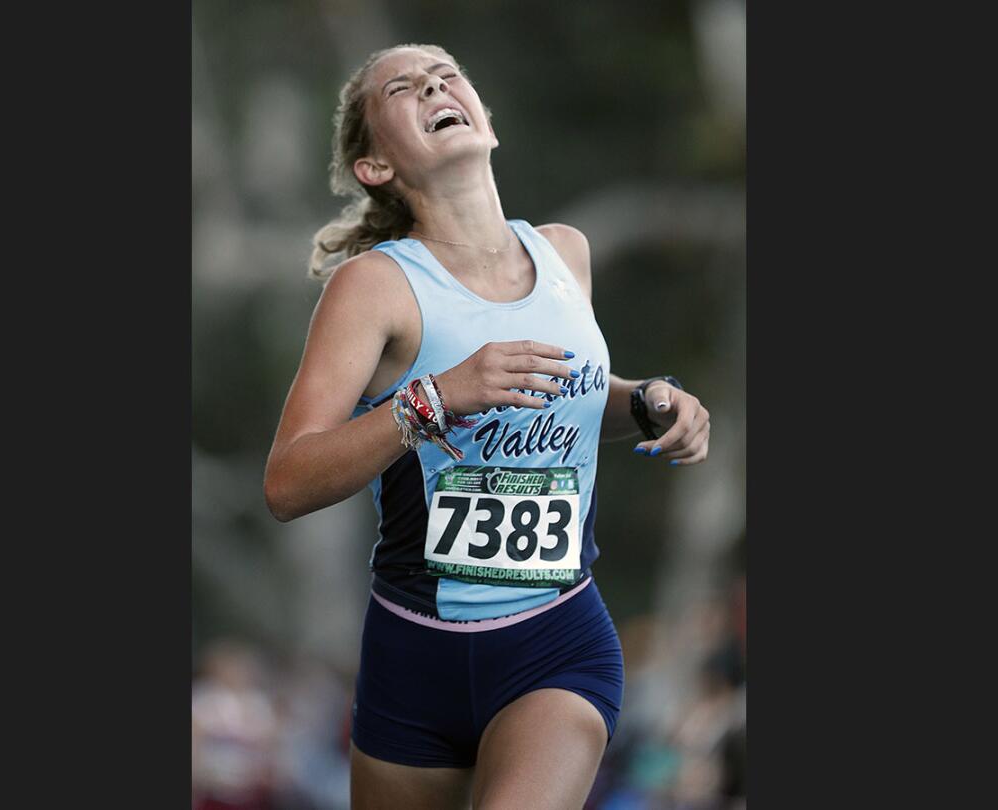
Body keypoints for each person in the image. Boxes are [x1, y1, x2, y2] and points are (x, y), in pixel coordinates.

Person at [264, 43, 711, 810]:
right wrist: (434, 400)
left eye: (446, 73)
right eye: (403, 87)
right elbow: (287, 481)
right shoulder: (375, 287)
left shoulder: (566, 253)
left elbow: (567, 390)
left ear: (486, 121)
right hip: (413, 657)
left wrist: (645, 400)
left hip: (556, 641)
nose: (435, 84)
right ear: (376, 167)